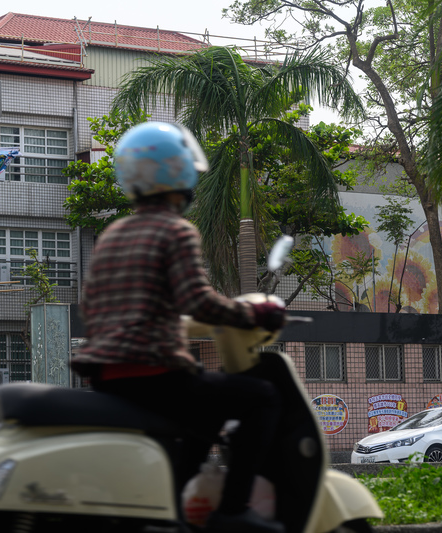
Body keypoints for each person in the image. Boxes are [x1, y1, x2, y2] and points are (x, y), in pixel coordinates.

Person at [72, 122, 287, 533]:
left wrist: (175, 325)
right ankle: (233, 510)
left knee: (204, 414)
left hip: (107, 377)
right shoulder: (175, 230)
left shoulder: (113, 234)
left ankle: (169, 509)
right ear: (178, 172)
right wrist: (253, 316)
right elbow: (197, 301)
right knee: (262, 397)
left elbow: (99, 306)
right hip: (155, 375)